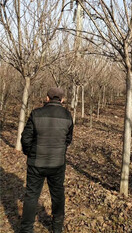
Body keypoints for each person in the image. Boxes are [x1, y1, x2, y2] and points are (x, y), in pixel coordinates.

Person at [20, 87, 74, 233]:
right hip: (57, 164)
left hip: (36, 163)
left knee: (31, 196)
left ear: (47, 98)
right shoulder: (67, 116)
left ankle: (26, 229)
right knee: (57, 195)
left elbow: (25, 138)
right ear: (62, 100)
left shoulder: (36, 113)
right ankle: (57, 228)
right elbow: (68, 139)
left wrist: (30, 153)